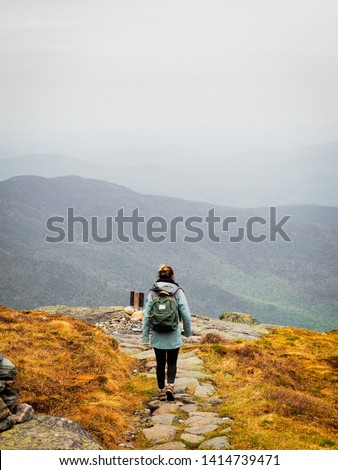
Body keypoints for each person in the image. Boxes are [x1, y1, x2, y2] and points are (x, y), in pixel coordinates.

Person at [142, 265, 191, 401]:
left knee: (160, 362)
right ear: (172, 276)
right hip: (173, 333)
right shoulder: (177, 292)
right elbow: (186, 314)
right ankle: (170, 385)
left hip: (157, 333)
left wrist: (145, 337)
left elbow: (146, 315)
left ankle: (161, 390)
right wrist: (187, 331)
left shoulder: (153, 292)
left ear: (159, 276)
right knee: (172, 361)